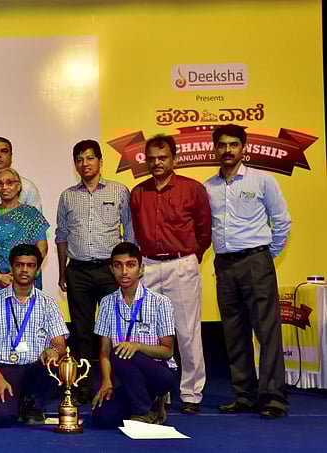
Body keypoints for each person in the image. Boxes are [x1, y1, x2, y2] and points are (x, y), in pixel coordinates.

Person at [203, 124, 291, 419]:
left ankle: (273, 397)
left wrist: (266, 256)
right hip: (224, 265)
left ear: (244, 148)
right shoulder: (208, 186)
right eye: (222, 145)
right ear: (215, 149)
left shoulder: (263, 180)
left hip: (256, 261)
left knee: (267, 332)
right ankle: (244, 395)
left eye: (233, 144)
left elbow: (282, 222)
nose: (227, 150)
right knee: (234, 332)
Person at [130, 134, 211, 415]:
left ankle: (191, 393)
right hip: (149, 266)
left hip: (181, 264)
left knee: (187, 332)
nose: (156, 163)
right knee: (150, 334)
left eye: (162, 157)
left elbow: (204, 231)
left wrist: (189, 258)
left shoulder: (192, 189)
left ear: (174, 159)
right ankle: (158, 392)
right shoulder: (138, 193)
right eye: (151, 158)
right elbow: (136, 233)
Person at [55, 139, 135, 404]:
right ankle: (83, 386)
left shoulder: (119, 191)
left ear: (101, 161)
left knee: (117, 329)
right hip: (77, 270)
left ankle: (119, 385)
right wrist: (62, 272)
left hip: (110, 271)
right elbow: (62, 236)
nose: (84, 163)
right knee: (81, 332)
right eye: (79, 159)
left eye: (90, 158)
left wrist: (127, 272)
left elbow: (129, 233)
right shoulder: (67, 196)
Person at [0, 244, 68, 427]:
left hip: (36, 368)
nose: (24, 270)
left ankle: (33, 404)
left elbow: (60, 344)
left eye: (30, 265)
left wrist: (53, 351)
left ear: (37, 269)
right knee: (1, 418)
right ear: (11, 267)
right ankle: (16, 401)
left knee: (56, 365)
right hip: (5, 368)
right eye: (19, 264)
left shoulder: (48, 304)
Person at [91, 242, 177, 427]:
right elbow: (104, 353)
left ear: (141, 268)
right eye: (118, 265)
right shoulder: (106, 303)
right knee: (102, 417)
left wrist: (137, 346)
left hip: (159, 373)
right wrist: (106, 382)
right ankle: (148, 405)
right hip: (125, 376)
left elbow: (167, 351)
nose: (124, 271)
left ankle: (143, 411)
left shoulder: (160, 302)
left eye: (130, 265)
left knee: (121, 353)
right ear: (111, 269)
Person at [0, 167, 50, 296]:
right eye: (0, 184)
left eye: (10, 183)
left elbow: (42, 248)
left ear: (19, 186)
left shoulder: (32, 214)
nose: (5, 187)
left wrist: (25, 272)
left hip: (26, 280)